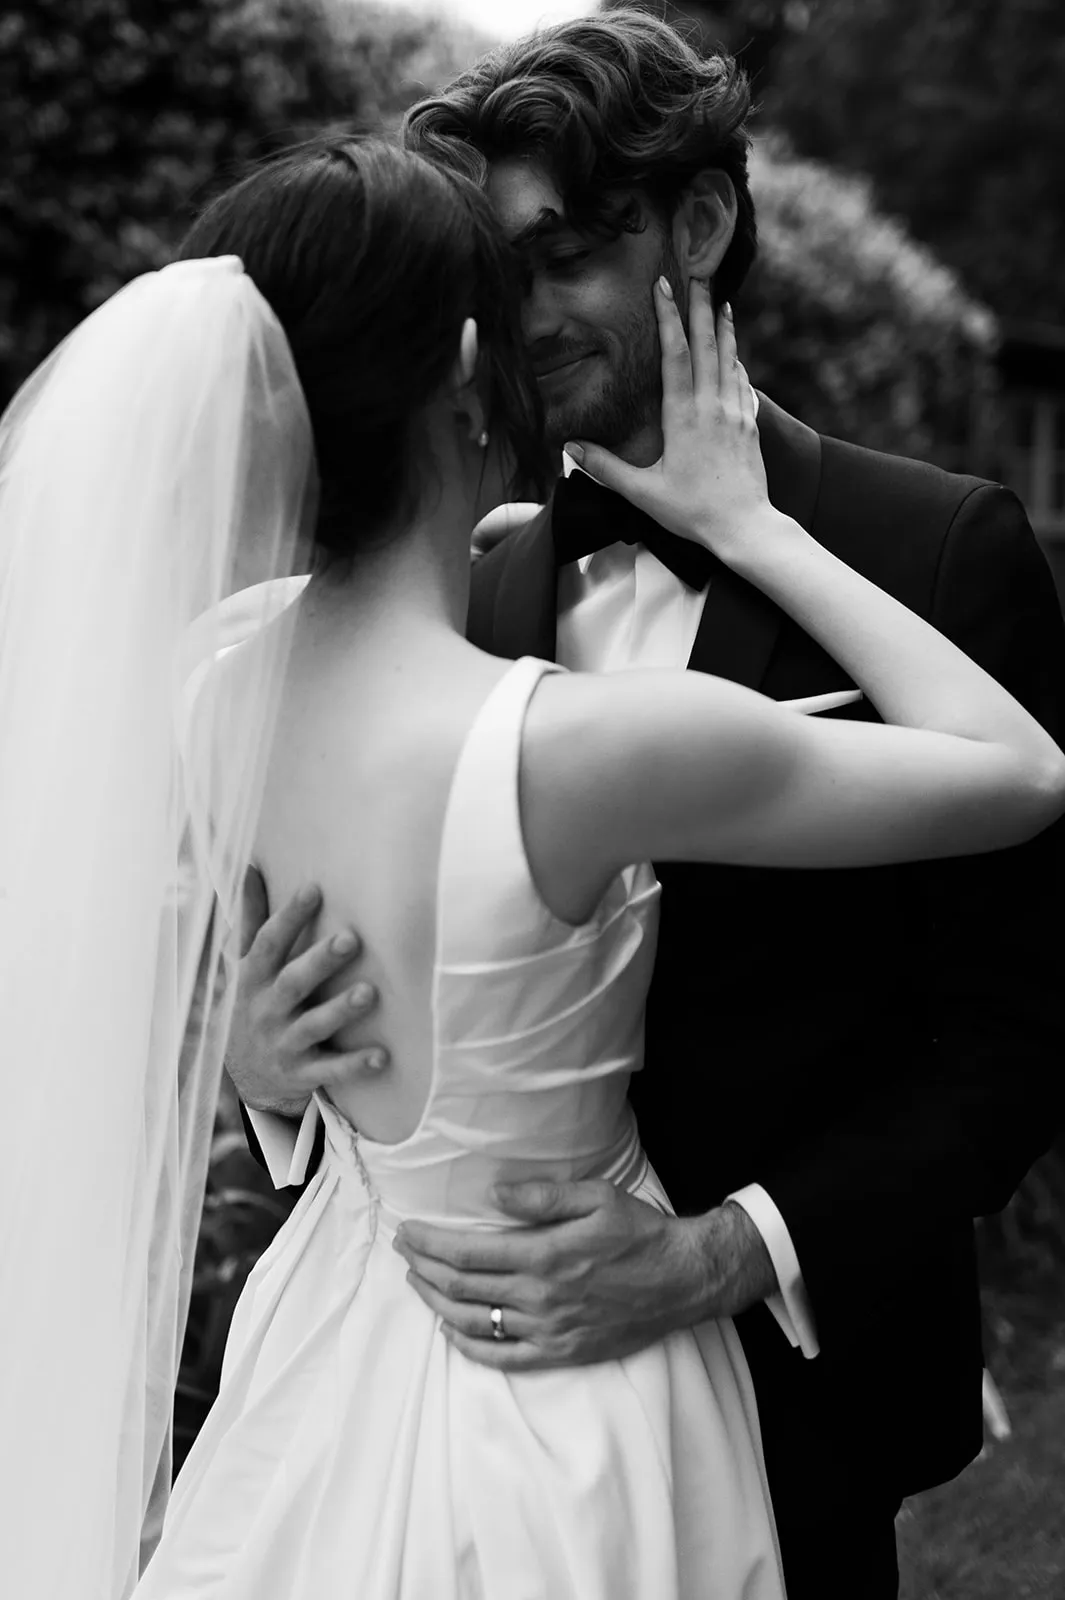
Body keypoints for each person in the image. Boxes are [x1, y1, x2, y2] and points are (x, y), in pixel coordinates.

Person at [227, 14, 1065, 1600]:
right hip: (453, 1408)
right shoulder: (466, 579)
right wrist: (266, 1065)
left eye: (561, 255)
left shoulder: (941, 555)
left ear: (700, 227)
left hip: (805, 1401)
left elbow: (1017, 1041)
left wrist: (724, 1251)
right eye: (490, 273)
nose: (516, 316)